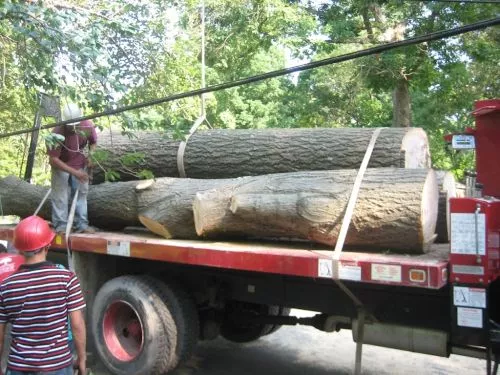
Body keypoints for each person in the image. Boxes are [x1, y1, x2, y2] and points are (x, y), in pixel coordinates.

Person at [0, 216, 87, 375]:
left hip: (18, 367)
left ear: (19, 249)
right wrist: (81, 359)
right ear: (48, 245)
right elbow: (77, 324)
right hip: (58, 366)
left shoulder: (6, 287)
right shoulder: (67, 279)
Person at [48, 103, 97, 234]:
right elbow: (53, 160)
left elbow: (93, 142)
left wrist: (91, 156)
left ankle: (81, 224)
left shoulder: (87, 125)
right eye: (70, 125)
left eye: (76, 124)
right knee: (61, 196)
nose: (73, 128)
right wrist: (74, 173)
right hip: (60, 166)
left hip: (79, 164)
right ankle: (61, 226)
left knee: (81, 194)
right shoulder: (57, 133)